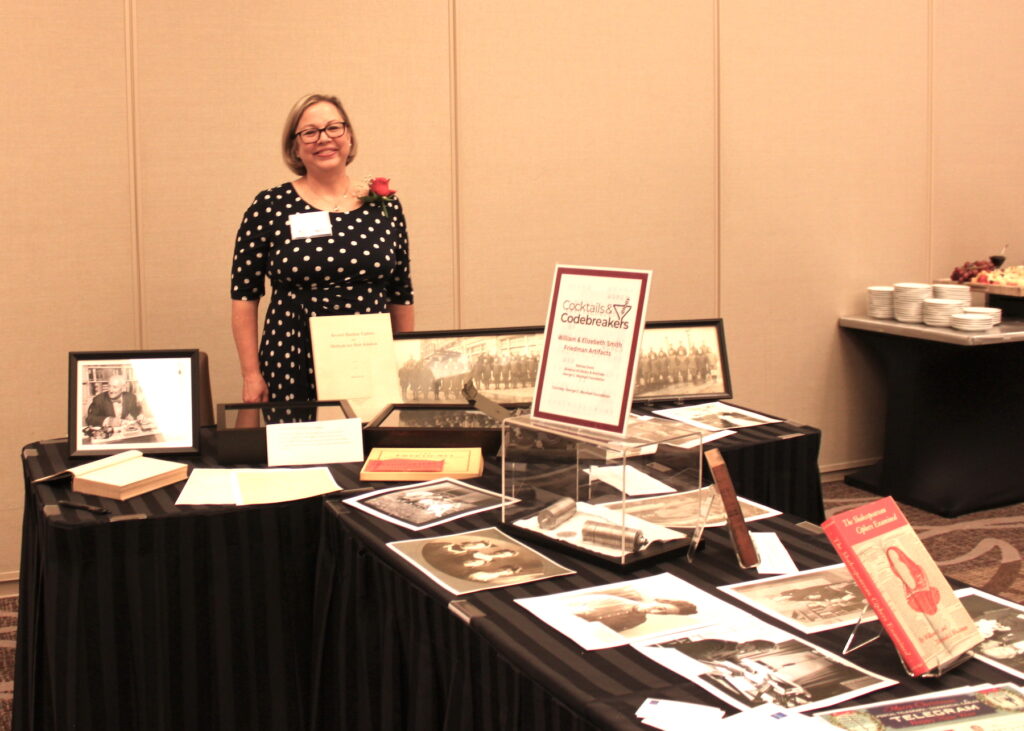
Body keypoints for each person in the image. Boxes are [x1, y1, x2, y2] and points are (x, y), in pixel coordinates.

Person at [230, 93, 415, 406]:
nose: (324, 139)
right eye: (310, 132)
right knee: (301, 452)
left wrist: (404, 364)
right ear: (295, 147)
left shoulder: (385, 205)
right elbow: (244, 297)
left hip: (371, 359)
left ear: (350, 136)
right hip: (292, 359)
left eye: (333, 128)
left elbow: (401, 292)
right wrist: (251, 375)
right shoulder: (270, 206)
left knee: (374, 448)